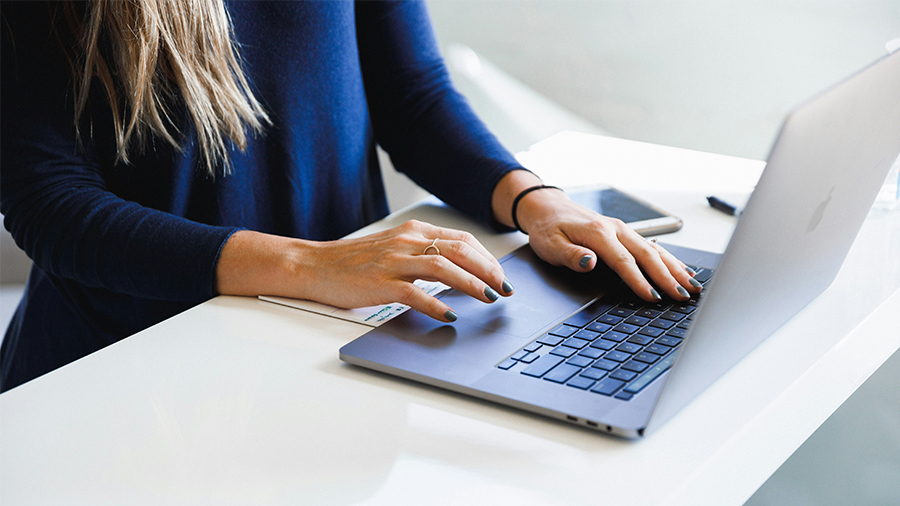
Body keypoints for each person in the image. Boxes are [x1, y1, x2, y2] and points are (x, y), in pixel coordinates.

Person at [0, 0, 700, 392]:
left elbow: (411, 93)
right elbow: (49, 203)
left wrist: (536, 201)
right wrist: (312, 266)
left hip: (336, 338)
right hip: (133, 370)